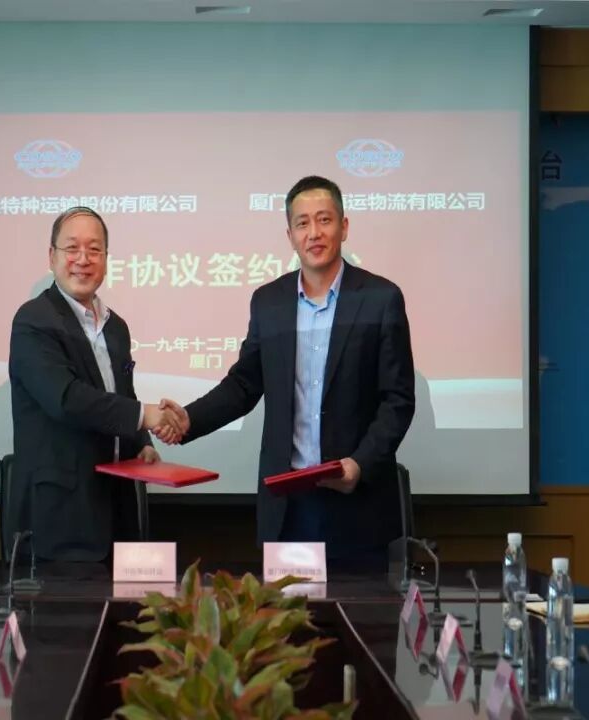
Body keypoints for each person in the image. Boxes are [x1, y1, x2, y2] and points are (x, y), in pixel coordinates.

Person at [158, 175, 416, 559]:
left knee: (360, 601)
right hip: (287, 505)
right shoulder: (269, 302)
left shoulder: (381, 298)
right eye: (302, 223)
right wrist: (188, 419)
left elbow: (398, 399)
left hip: (357, 501)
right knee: (284, 602)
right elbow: (243, 384)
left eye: (325, 220)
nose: (314, 233)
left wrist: (360, 464)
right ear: (290, 235)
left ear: (344, 227)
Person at [8, 206, 178, 561]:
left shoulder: (116, 327)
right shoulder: (33, 321)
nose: (83, 259)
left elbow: (121, 394)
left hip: (118, 508)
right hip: (62, 516)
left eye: (94, 249)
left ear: (105, 258)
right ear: (52, 256)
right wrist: (145, 416)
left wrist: (141, 443)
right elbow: (66, 399)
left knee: (128, 599)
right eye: (72, 248)